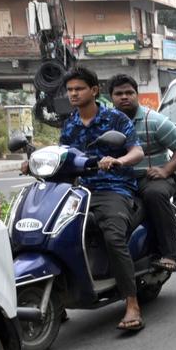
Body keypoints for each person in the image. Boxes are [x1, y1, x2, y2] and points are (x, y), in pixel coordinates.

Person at [35, 67, 145, 331]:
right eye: (70, 90)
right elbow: (64, 155)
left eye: (79, 89)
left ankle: (132, 302)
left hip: (113, 188)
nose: (73, 94)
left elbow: (137, 151)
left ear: (94, 91)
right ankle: (57, 299)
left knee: (112, 235)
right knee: (52, 231)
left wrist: (118, 160)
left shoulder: (115, 119)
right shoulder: (70, 124)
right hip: (80, 190)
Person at [108, 74, 176, 272]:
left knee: (155, 195)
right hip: (118, 180)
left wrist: (166, 170)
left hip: (151, 178)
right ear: (111, 97)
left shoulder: (154, 121)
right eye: (118, 93)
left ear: (137, 95)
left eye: (129, 92)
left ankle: (169, 253)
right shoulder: (105, 122)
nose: (124, 97)